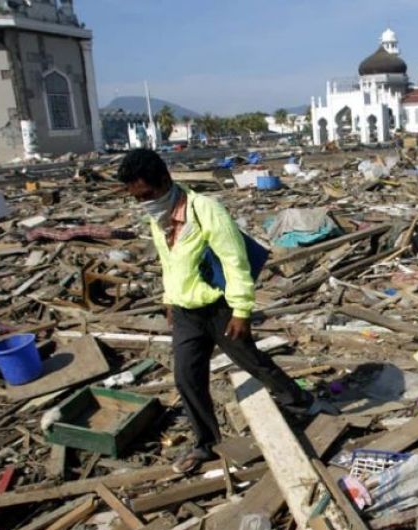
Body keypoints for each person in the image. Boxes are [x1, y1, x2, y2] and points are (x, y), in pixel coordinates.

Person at [118, 149, 333, 474]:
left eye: (146, 194)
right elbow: (169, 262)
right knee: (186, 378)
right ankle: (206, 444)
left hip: (220, 308)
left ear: (165, 180)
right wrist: (168, 297)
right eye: (136, 198)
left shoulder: (205, 210)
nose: (143, 203)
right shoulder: (158, 217)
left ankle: (301, 402)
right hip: (185, 312)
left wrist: (242, 311)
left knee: (253, 363)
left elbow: (235, 262)